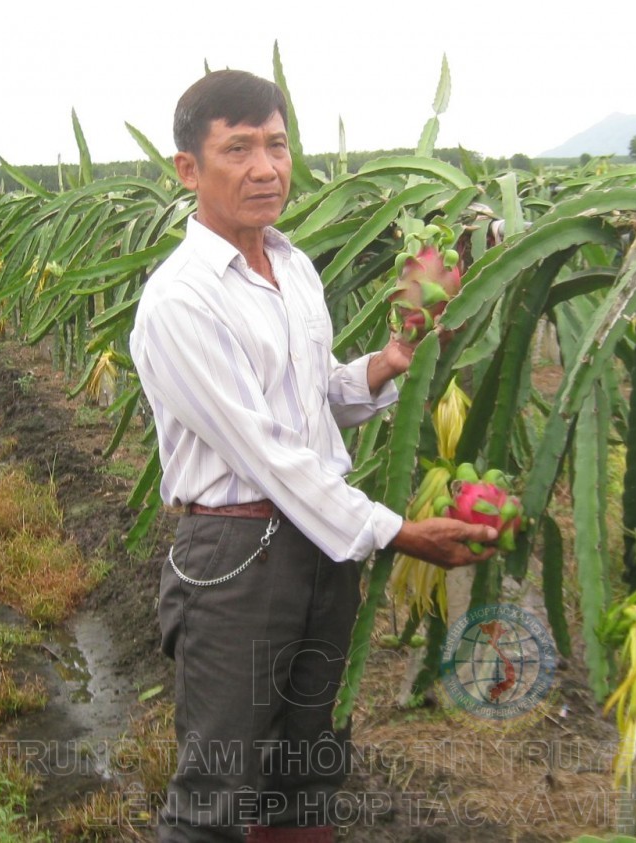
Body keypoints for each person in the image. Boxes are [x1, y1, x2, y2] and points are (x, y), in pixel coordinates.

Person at [128, 69, 497, 843]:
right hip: (235, 557)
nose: (266, 167)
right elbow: (266, 452)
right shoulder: (180, 299)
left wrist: (391, 360)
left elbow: (308, 396)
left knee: (305, 774)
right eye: (238, 149)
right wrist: (399, 531)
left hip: (319, 547)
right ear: (188, 169)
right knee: (218, 792)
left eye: (276, 144)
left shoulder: (292, 268)